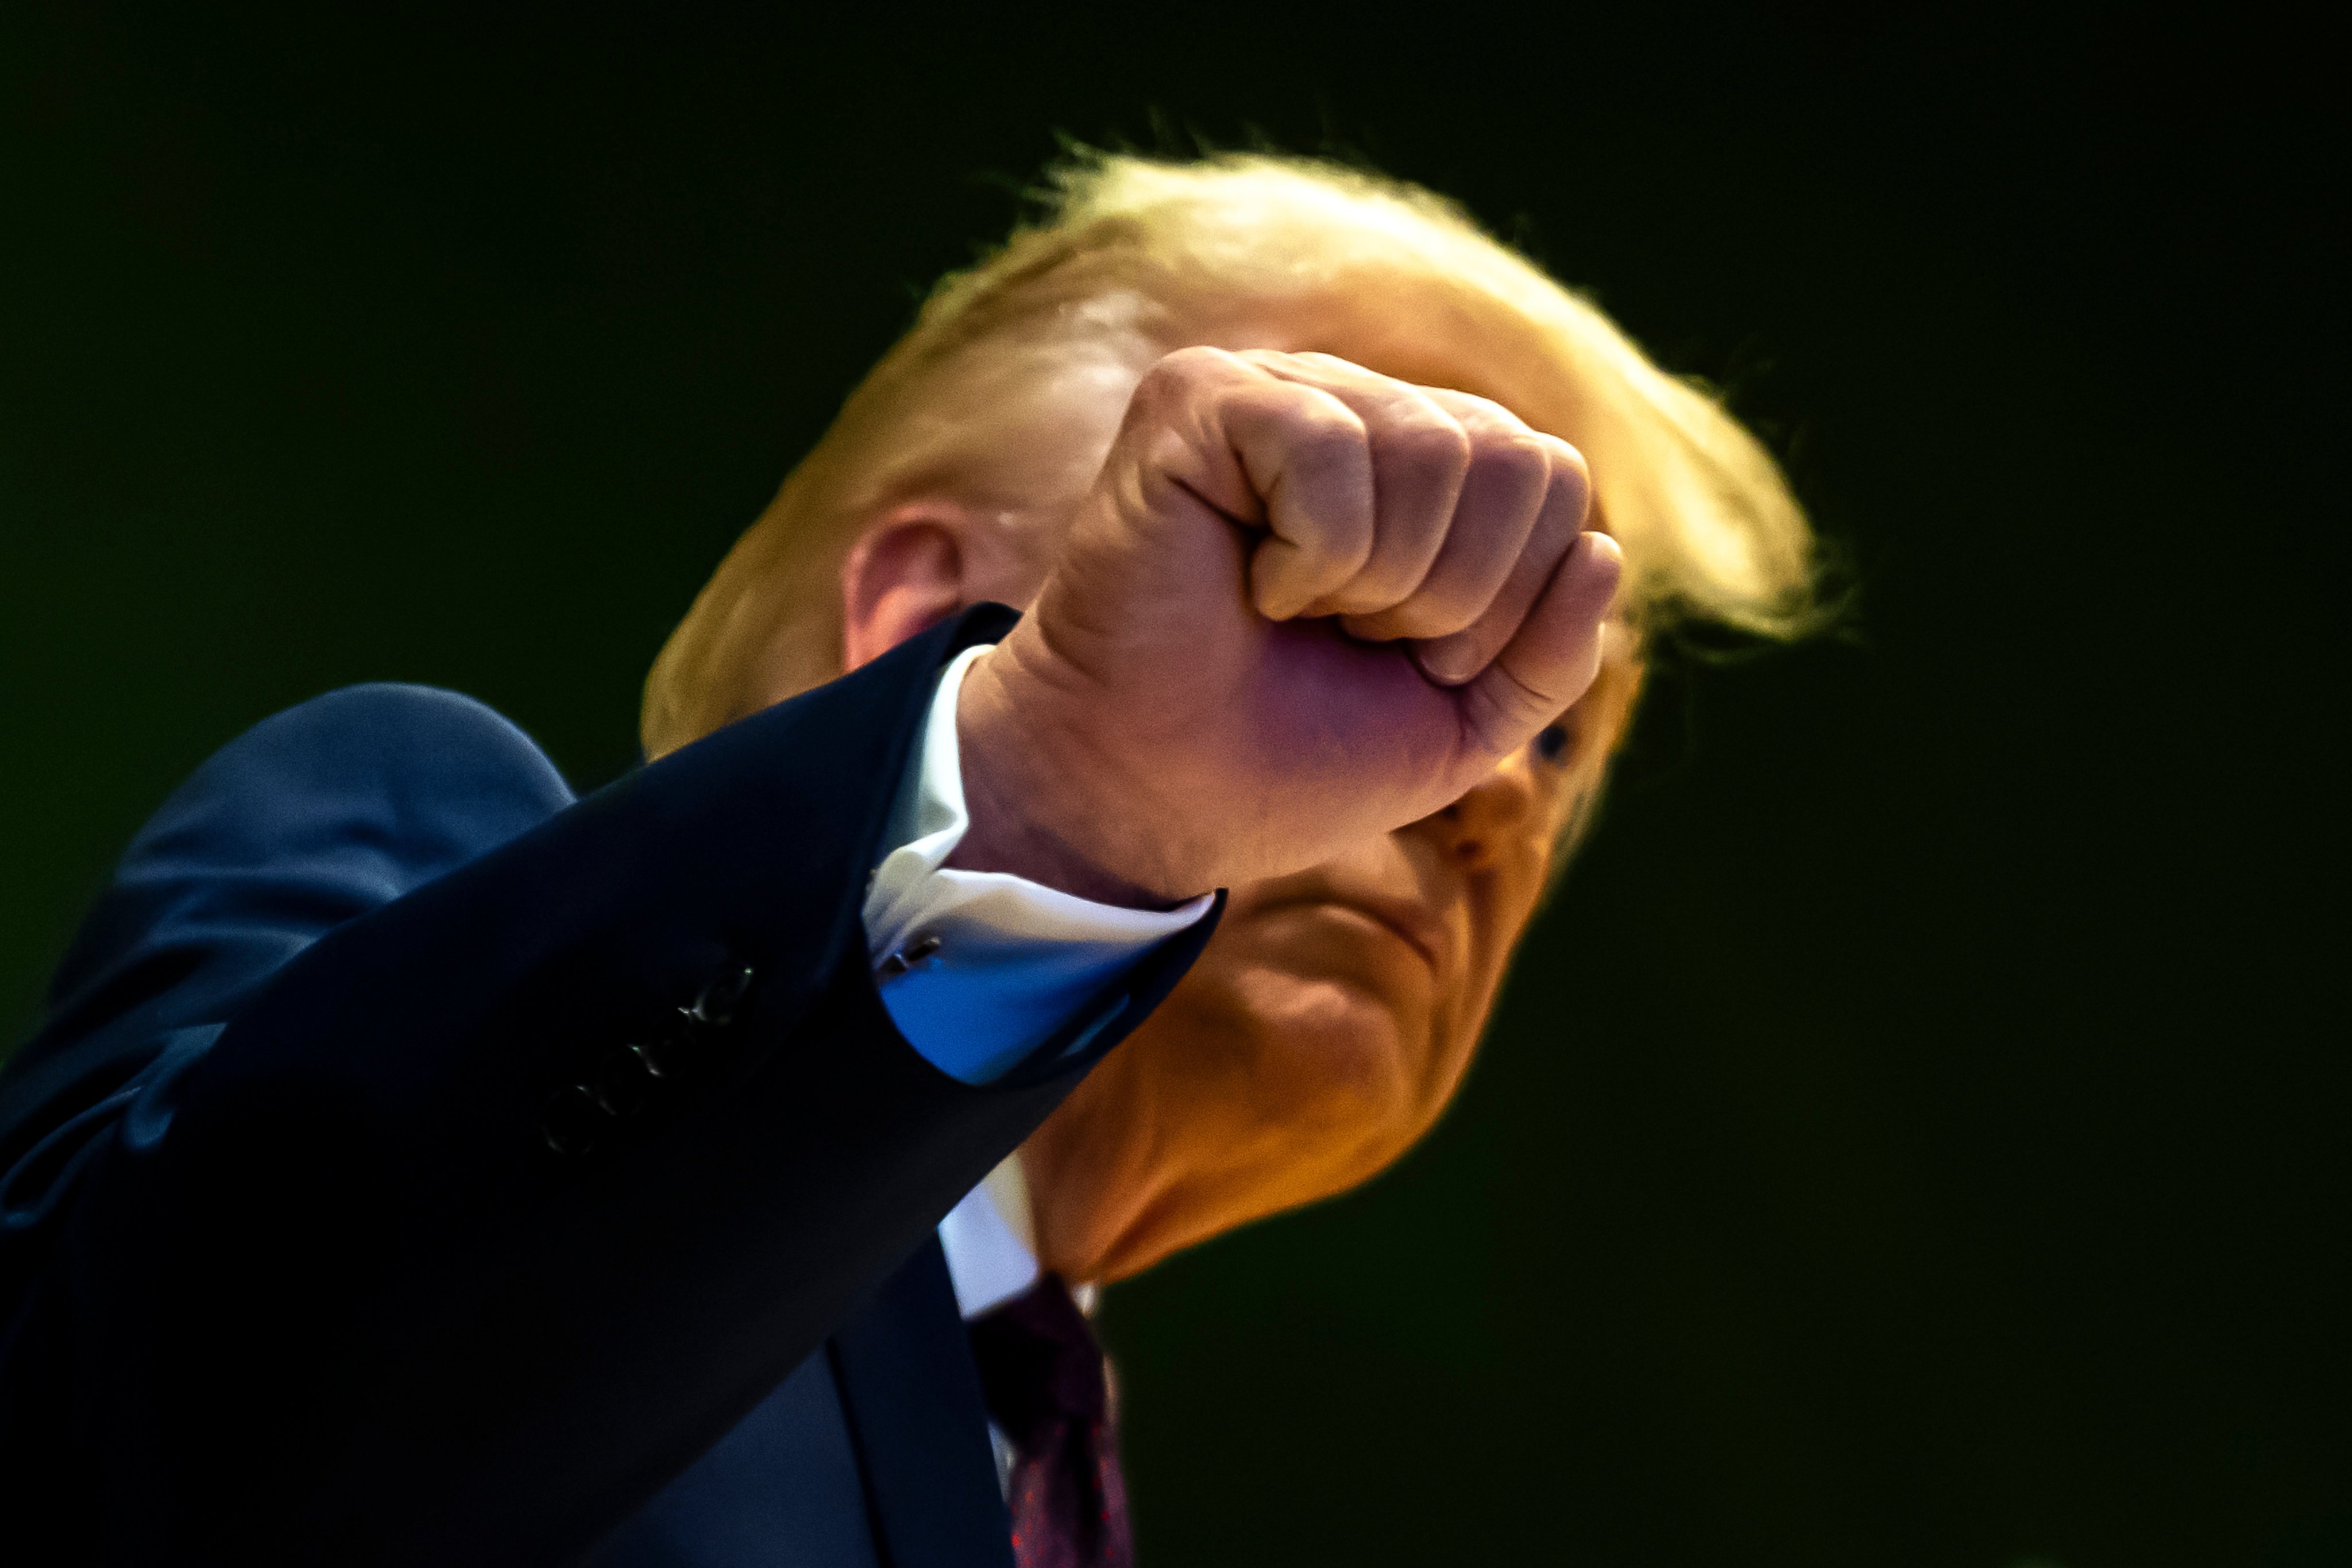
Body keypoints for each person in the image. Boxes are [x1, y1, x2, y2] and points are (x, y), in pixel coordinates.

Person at [0, 153, 1817, 1565]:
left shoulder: (1043, 1473)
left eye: (1561, 731)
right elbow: (115, 1458)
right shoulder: (405, 827)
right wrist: (1057, 794)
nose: (1497, 784)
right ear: (928, 617)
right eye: (1366, 587)